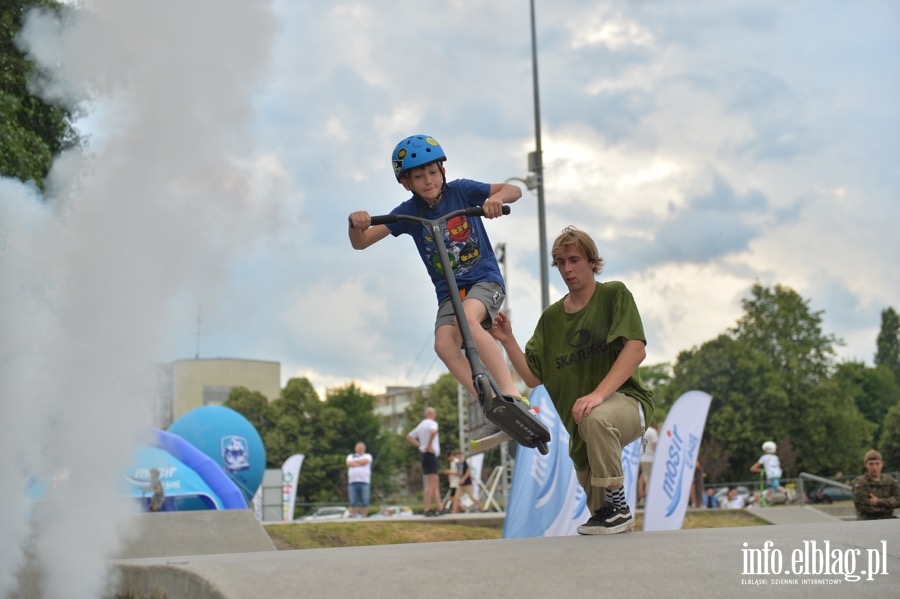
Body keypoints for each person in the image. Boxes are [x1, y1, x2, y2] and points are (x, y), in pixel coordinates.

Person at [348, 134, 528, 451]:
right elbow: (361, 242)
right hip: (449, 294)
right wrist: (356, 223)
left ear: (442, 171)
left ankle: (511, 394)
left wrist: (496, 200)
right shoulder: (409, 213)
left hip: (484, 280)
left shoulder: (461, 191)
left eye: (432, 172)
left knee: (469, 321)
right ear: (407, 183)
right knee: (444, 345)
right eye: (419, 176)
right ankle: (493, 405)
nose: (428, 180)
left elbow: (514, 189)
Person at [490, 226, 654, 535]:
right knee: (608, 531)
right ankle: (617, 526)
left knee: (596, 418)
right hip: (584, 434)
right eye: (561, 262)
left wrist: (597, 395)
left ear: (592, 261)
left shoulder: (613, 294)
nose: (567, 269)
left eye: (574, 260)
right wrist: (508, 340)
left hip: (629, 405)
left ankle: (619, 505)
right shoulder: (551, 319)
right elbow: (532, 377)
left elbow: (636, 350)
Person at [407, 406, 442, 517]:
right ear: (431, 414)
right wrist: (428, 445)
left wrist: (420, 445)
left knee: (435, 480)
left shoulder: (421, 425)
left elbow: (409, 436)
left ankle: (440, 506)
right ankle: (427, 509)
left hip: (425, 453)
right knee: (431, 482)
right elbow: (433, 432)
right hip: (430, 453)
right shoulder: (432, 423)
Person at [852, 449, 900, 520]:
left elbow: (898, 500)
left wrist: (878, 501)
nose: (875, 467)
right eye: (871, 464)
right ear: (866, 464)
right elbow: (862, 506)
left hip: (888, 519)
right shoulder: (860, 482)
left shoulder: (889, 481)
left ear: (882, 463)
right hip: (868, 520)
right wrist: (889, 504)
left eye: (877, 464)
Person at [346, 441, 373, 518]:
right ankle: (354, 516)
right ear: (355, 448)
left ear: (364, 449)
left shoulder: (368, 456)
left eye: (362, 448)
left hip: (364, 482)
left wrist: (355, 463)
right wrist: (360, 463)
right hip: (352, 482)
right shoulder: (350, 456)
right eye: (359, 448)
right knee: (353, 501)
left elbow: (365, 461)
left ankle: (364, 516)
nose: (360, 449)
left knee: (365, 500)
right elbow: (349, 463)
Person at [637, 423, 658, 504]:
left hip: (643, 458)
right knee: (650, 479)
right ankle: (650, 499)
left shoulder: (641, 432)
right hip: (651, 458)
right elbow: (654, 446)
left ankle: (644, 498)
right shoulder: (652, 431)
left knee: (645, 478)